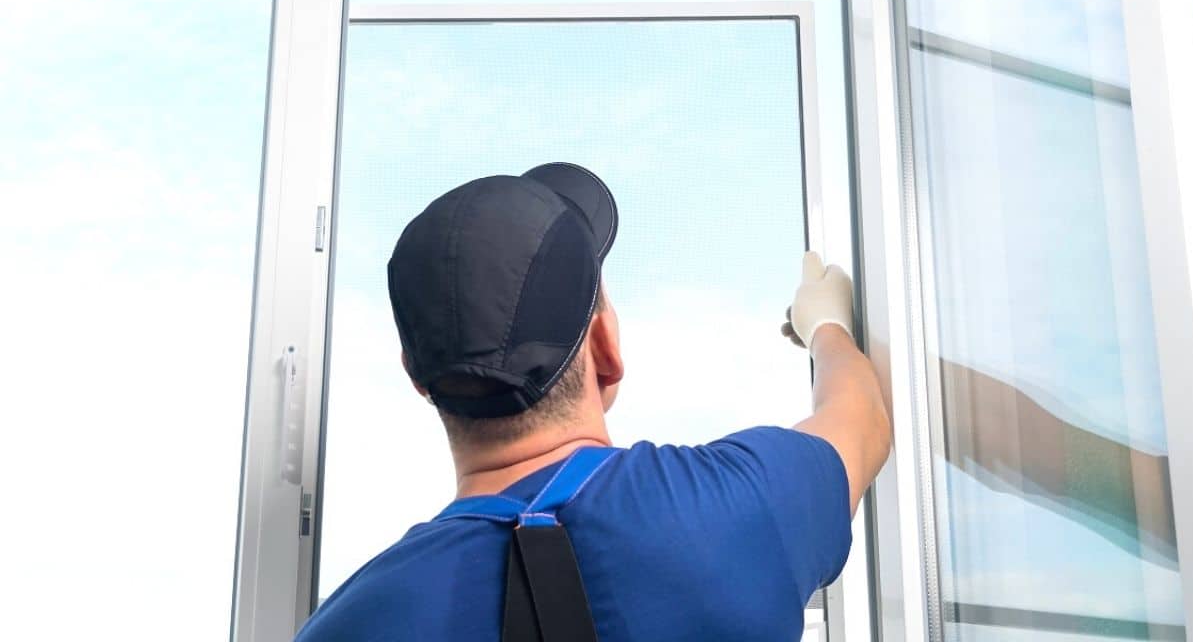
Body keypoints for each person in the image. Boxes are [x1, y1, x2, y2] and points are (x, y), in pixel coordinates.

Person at [294, 162, 892, 641]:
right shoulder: (735, 503)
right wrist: (826, 326)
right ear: (606, 347)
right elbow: (862, 419)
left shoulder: (351, 624)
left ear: (418, 377)